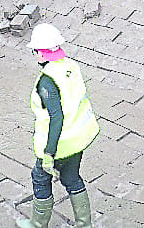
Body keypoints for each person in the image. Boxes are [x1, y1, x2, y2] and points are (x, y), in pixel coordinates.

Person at [17, 23, 100, 228]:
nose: (35, 55)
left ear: (43, 53)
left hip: (59, 144)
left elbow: (57, 118)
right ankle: (84, 224)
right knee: (72, 178)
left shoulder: (47, 81)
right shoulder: (71, 66)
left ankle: (38, 224)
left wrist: (48, 154)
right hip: (79, 139)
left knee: (40, 177)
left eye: (35, 51)